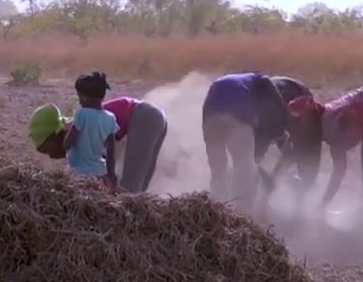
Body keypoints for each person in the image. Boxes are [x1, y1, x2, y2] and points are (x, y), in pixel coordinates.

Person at [283, 85, 363, 237]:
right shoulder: (327, 128)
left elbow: (352, 114)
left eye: (302, 122)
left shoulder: (331, 121)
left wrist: (350, 133)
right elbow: (339, 171)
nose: (301, 128)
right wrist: (324, 204)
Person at [28, 88, 169, 194]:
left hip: (144, 117)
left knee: (129, 192)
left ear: (55, 134)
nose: (51, 156)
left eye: (46, 149)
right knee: (139, 191)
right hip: (153, 116)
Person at [201, 72, 291, 214]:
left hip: (210, 118)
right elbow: (278, 103)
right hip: (237, 116)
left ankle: (215, 210)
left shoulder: (233, 81)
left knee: (218, 170)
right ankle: (244, 215)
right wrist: (284, 122)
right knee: (244, 167)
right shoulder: (262, 79)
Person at [51, 71, 121, 191]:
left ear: (83, 97)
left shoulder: (82, 114)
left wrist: (66, 130)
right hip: (100, 173)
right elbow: (111, 152)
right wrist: (111, 175)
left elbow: (67, 144)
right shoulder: (110, 118)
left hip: (79, 174)